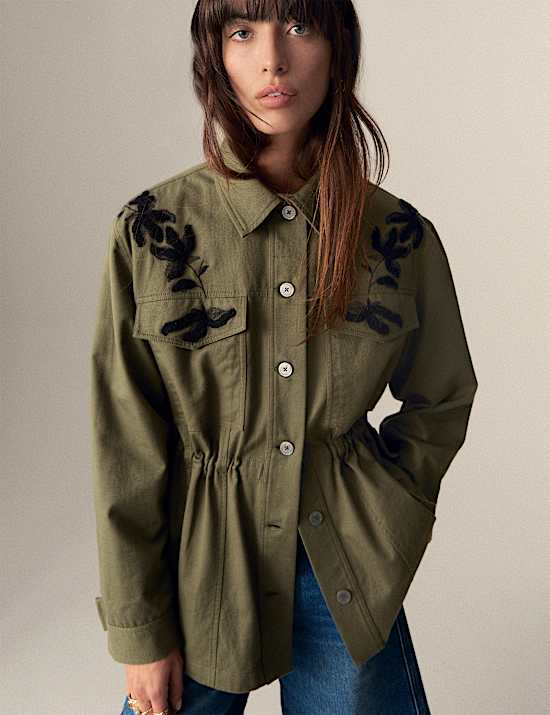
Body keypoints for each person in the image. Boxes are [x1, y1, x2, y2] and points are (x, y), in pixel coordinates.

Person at [90, 1, 478, 714]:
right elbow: (127, 443)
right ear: (214, 55)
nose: (273, 59)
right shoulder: (153, 230)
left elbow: (443, 395)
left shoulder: (397, 235)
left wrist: (391, 509)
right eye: (243, 32)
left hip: (345, 567)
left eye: (299, 26)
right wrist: (139, 629)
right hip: (197, 569)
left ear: (338, 46)